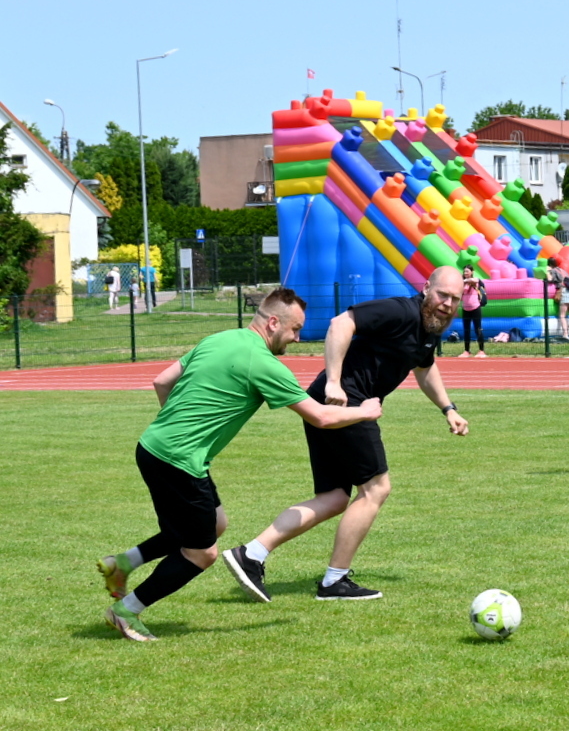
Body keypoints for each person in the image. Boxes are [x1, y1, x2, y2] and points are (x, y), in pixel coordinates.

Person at [95, 288, 384, 641]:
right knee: (202, 553)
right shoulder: (264, 364)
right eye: (294, 329)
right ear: (273, 322)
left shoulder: (220, 338)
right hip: (178, 460)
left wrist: (181, 429)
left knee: (213, 523)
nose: (297, 338)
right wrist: (365, 411)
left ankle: (123, 563)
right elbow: (321, 417)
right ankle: (127, 610)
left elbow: (163, 380)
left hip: (153, 447)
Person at [221, 268, 468, 604]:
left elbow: (423, 367)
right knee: (376, 489)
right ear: (427, 288)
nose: (447, 303)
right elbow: (342, 323)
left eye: (454, 299)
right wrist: (335, 381)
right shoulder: (401, 310)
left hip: (328, 400)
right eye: (442, 295)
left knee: (336, 497)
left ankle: (251, 554)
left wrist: (448, 409)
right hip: (346, 399)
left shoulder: (428, 328)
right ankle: (334, 581)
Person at [459, 265, 487, 357]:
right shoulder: (462, 283)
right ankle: (467, 351)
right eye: (464, 272)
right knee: (466, 330)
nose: (465, 273)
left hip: (475, 308)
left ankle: (481, 350)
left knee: (478, 329)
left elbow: (476, 280)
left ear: (472, 272)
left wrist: (464, 280)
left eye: (467, 271)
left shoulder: (475, 281)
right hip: (465, 309)